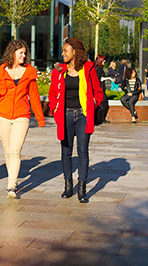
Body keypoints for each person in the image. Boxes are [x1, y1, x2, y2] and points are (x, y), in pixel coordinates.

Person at [0, 40, 45, 198]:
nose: (24, 55)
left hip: (22, 116)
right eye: (21, 52)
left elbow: (34, 96)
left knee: (15, 150)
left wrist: (40, 118)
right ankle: (13, 180)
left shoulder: (29, 71)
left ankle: (11, 185)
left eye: (25, 53)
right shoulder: (1, 71)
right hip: (3, 116)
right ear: (12, 52)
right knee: (7, 152)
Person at [49, 38, 103, 203]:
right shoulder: (59, 71)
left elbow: (98, 92)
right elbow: (52, 93)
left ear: (75, 52)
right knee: (66, 151)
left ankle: (82, 189)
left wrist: (92, 105)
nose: (62, 53)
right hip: (65, 115)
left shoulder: (88, 69)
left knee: (82, 151)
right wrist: (55, 108)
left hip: (83, 115)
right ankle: (68, 186)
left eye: (66, 50)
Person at [94, 55, 109, 123]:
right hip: (100, 88)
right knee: (103, 103)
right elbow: (99, 78)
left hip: (100, 88)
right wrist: (109, 78)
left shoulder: (97, 68)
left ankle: (101, 118)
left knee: (103, 103)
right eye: (103, 60)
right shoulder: (99, 69)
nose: (104, 61)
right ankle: (101, 118)